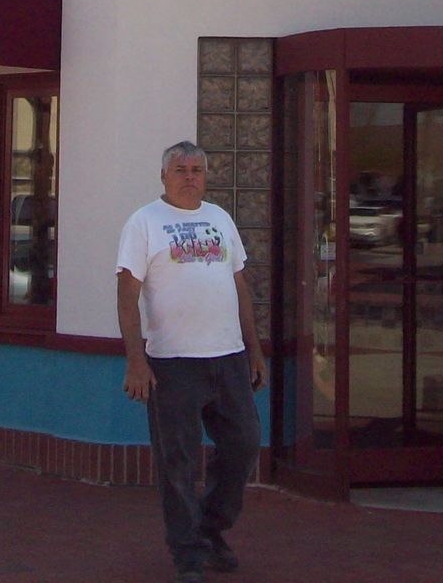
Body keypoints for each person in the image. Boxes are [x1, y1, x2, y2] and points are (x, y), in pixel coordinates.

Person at [117, 141, 264, 583]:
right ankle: (188, 556)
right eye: (180, 169)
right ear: (164, 176)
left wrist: (254, 349)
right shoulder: (144, 222)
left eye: (196, 169)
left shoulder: (220, 219)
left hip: (228, 358)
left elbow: (239, 288)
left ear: (205, 176)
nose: (189, 177)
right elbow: (126, 295)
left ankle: (210, 527)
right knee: (176, 464)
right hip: (172, 365)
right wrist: (136, 361)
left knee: (244, 443)